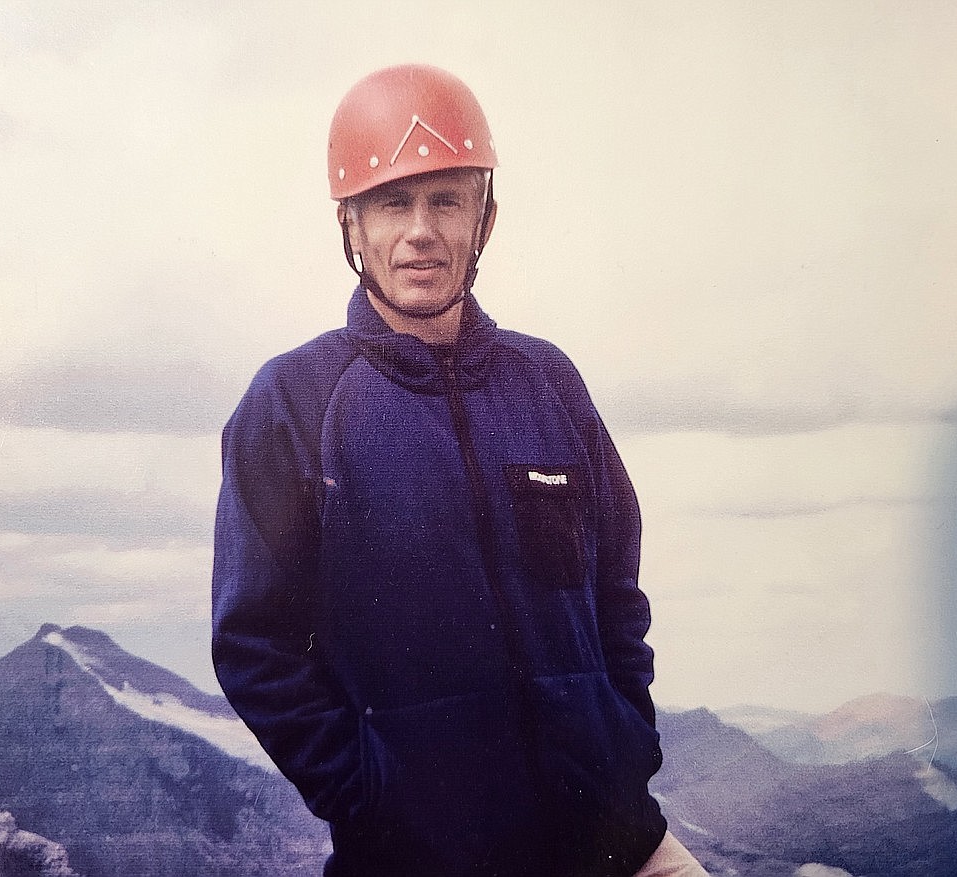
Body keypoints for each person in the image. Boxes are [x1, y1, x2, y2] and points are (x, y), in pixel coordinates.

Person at [212, 63, 709, 877]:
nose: (420, 230)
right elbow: (254, 646)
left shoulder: (547, 382)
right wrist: (375, 799)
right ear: (352, 226)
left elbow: (617, 589)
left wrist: (624, 740)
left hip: (619, 840)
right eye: (392, 202)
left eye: (446, 199)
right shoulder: (293, 404)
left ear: (485, 218)